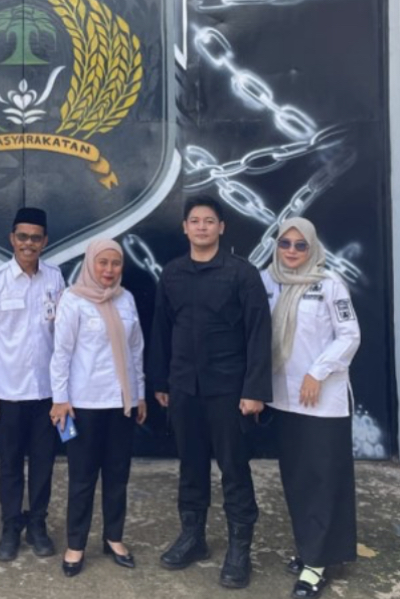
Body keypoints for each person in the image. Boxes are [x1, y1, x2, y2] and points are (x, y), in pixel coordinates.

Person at [148, 195, 272, 589]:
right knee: (191, 466)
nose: (201, 227)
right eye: (195, 221)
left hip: (228, 390)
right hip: (184, 388)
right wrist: (161, 382)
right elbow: (161, 330)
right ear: (185, 228)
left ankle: (239, 550)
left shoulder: (242, 274)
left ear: (221, 227)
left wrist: (255, 389)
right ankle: (193, 538)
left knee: (234, 469)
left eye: (209, 221)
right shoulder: (172, 274)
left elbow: (259, 334)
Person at [260, 217, 361, 599]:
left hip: (321, 401)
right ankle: (311, 549)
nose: (291, 251)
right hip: (284, 398)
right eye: (285, 243)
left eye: (300, 245)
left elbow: (349, 335)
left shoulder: (329, 283)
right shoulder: (268, 281)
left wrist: (317, 373)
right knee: (298, 478)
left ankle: (316, 565)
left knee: (323, 479)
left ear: (312, 247)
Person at [49, 239, 146, 578]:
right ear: (90, 263)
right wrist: (60, 399)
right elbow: (61, 354)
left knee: (118, 475)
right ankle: (76, 544)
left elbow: (136, 351)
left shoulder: (126, 299)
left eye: (115, 264)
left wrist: (139, 395)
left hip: (121, 403)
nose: (109, 270)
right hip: (83, 405)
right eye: (102, 263)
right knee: (82, 478)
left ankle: (113, 537)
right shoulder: (73, 300)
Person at [0, 207, 66, 561]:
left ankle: (37, 524)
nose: (29, 244)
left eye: (36, 238)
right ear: (12, 239)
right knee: (10, 463)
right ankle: (11, 525)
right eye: (23, 237)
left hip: (47, 392)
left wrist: (64, 392)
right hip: (9, 391)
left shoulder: (55, 278)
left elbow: (63, 337)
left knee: (43, 462)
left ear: (45, 241)